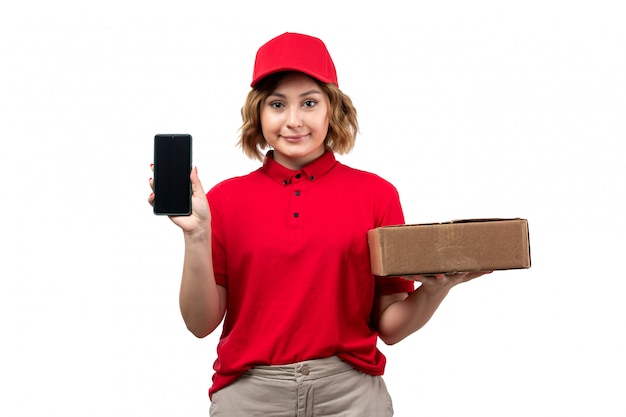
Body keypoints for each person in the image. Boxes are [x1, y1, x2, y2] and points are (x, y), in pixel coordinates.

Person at [148, 32, 490, 416]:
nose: (293, 121)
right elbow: (199, 324)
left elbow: (390, 326)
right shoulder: (225, 200)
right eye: (278, 104)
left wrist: (435, 290)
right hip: (250, 398)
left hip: (351, 396)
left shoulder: (377, 194)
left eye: (309, 103)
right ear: (258, 113)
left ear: (332, 109)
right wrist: (196, 235)